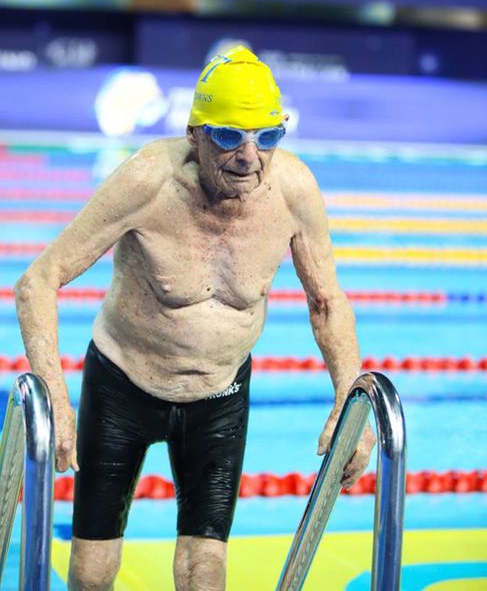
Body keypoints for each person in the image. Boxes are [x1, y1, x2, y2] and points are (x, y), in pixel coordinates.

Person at [15, 46, 375, 591]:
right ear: (194, 133)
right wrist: (57, 402)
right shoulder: (147, 183)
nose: (250, 157)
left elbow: (327, 300)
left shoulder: (294, 192)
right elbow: (38, 280)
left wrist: (352, 407)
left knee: (204, 572)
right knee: (91, 573)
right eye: (230, 137)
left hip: (219, 397)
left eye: (268, 137)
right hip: (123, 388)